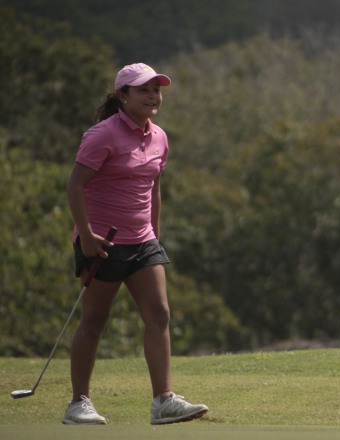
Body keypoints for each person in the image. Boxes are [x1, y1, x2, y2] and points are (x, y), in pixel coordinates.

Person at [64, 63, 208, 425]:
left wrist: (154, 235)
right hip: (102, 243)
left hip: (143, 241)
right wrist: (86, 234)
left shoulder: (159, 136)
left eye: (156, 90)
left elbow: (154, 187)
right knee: (94, 320)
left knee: (159, 313)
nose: (153, 96)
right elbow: (75, 185)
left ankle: (163, 401)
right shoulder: (102, 135)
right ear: (122, 96)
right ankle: (78, 403)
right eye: (144, 90)